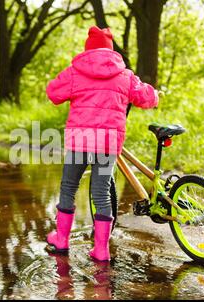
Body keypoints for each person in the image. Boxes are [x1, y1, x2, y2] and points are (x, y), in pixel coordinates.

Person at [45, 26, 159, 261]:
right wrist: (155, 94)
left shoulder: (75, 72)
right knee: (101, 194)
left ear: (87, 50)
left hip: (80, 142)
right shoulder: (125, 75)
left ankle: (62, 240)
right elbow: (146, 98)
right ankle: (101, 250)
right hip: (107, 145)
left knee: (69, 188)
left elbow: (53, 93)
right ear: (111, 50)